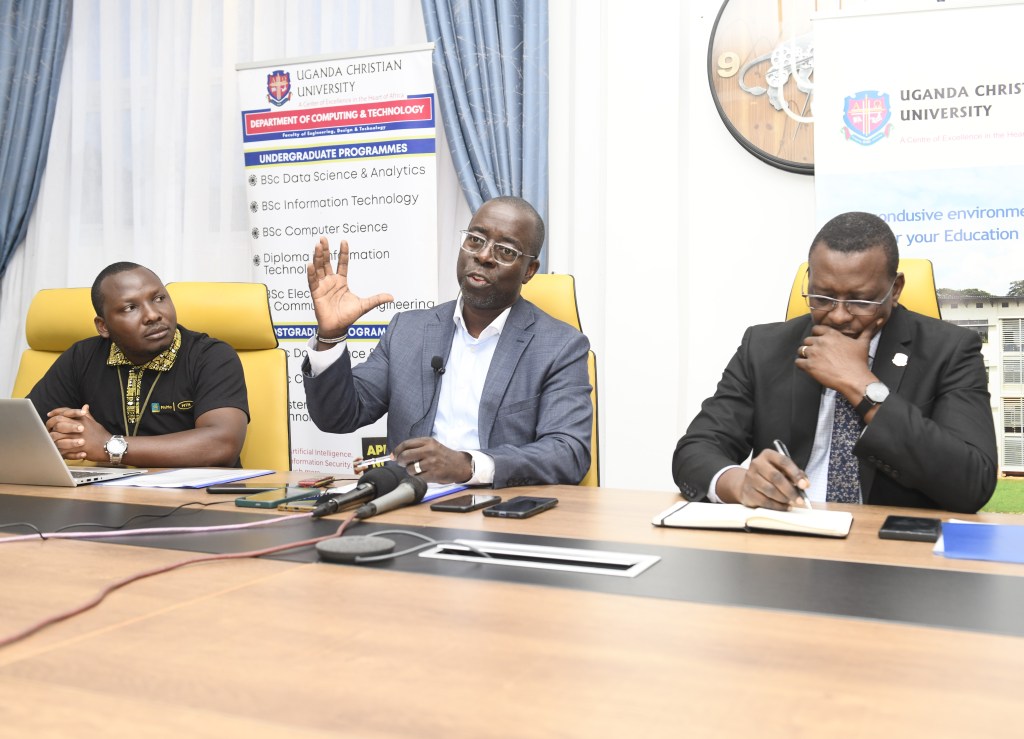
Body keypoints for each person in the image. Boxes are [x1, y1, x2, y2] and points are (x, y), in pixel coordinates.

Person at [672, 212, 997, 514]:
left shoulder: (950, 350)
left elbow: (973, 483)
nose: (839, 315)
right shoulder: (764, 347)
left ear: (895, 289)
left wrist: (861, 385)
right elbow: (696, 450)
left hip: (888, 548)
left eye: (860, 300)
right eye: (823, 297)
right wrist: (739, 483)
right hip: (786, 535)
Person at [302, 196, 592, 488]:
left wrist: (469, 466)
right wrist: (330, 336)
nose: (484, 256)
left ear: (529, 270)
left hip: (502, 511)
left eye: (505, 250)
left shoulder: (560, 347)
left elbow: (568, 452)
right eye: (476, 240)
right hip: (410, 510)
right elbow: (338, 416)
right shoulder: (408, 330)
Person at [27, 262, 249, 467]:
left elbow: (222, 443)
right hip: (110, 498)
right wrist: (66, 433)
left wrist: (108, 446)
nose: (153, 315)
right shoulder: (82, 357)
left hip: (201, 499)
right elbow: (24, 431)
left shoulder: (211, 356)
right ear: (103, 326)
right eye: (130, 308)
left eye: (159, 298)